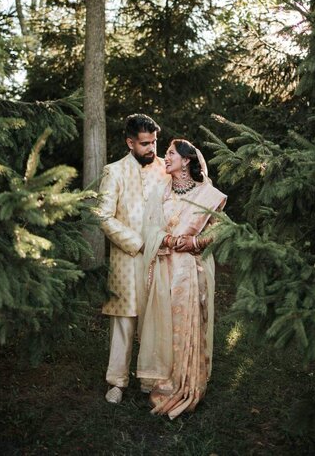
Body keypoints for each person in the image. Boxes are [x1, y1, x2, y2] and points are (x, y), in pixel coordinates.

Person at [137, 139, 226, 419]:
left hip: (190, 269)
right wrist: (166, 238)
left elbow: (221, 231)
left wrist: (196, 242)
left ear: (187, 160)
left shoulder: (206, 194)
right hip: (164, 266)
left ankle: (187, 382)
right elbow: (148, 229)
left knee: (186, 322)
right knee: (164, 321)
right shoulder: (160, 193)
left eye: (171, 153)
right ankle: (164, 379)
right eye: (166, 154)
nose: (166, 157)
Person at [98, 114, 169, 404]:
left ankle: (150, 378)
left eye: (154, 142)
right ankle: (117, 381)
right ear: (130, 143)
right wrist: (138, 244)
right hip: (126, 260)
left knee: (156, 318)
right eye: (144, 143)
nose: (151, 148)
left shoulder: (167, 168)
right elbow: (102, 216)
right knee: (124, 321)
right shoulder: (113, 171)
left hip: (161, 257)